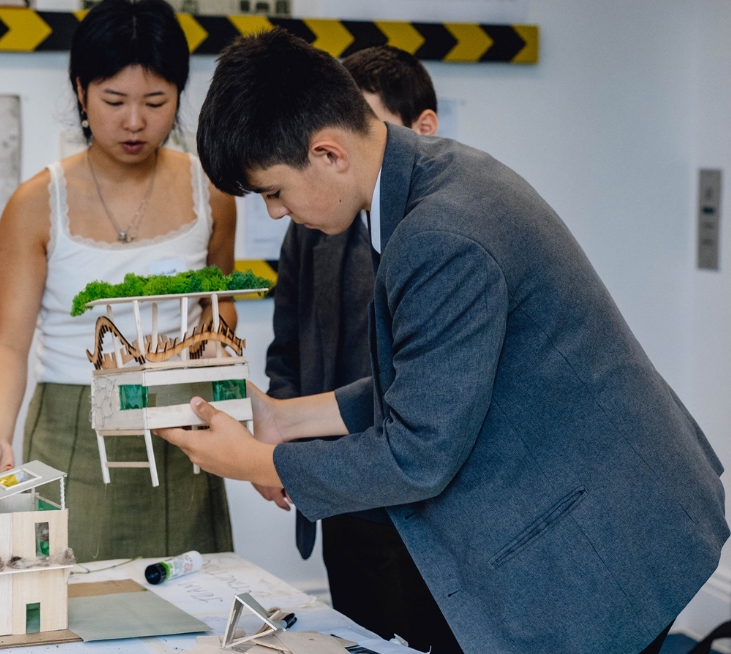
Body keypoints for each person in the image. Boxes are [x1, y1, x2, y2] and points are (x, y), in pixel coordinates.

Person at [159, 29, 729, 654]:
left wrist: (253, 461)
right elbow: (430, 382)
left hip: (600, 542)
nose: (273, 213)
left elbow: (417, 452)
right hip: (599, 509)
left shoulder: (442, 231)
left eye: (273, 191)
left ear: (327, 153)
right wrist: (281, 417)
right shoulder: (429, 178)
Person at [0, 0, 237, 561]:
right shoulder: (37, 204)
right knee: (73, 605)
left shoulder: (210, 192)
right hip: (75, 423)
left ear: (180, 96)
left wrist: (233, 410)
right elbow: (11, 344)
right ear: (81, 90)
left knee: (191, 602)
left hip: (181, 422)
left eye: (156, 102)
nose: (135, 121)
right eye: (114, 101)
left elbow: (220, 311)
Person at [263, 45, 458, 651]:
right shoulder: (310, 228)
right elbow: (287, 346)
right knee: (357, 634)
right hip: (338, 488)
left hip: (420, 499)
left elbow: (425, 409)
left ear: (420, 129)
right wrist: (280, 430)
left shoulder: (438, 235)